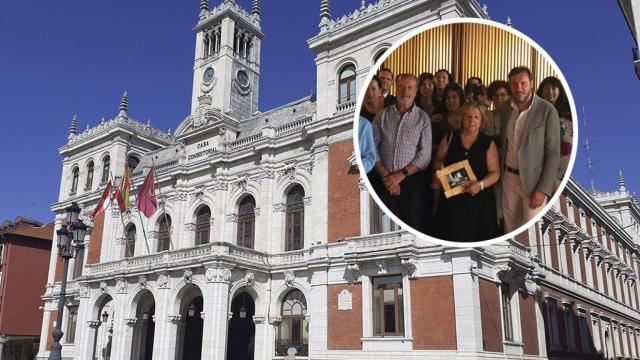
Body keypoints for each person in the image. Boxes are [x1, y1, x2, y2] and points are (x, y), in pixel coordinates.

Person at [499, 66, 560, 233]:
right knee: (509, 231)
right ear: (510, 85)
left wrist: (543, 189)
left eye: (523, 83)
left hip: (534, 184)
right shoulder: (505, 109)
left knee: (533, 235)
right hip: (508, 181)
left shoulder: (547, 110)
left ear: (531, 84)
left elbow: (553, 154)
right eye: (514, 84)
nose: (519, 88)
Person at [372, 73, 432, 231]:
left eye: (410, 87)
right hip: (384, 181)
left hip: (412, 182)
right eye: (402, 87)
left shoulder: (423, 118)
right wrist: (387, 176)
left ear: (416, 90)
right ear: (395, 89)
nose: (405, 91)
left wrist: (400, 175)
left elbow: (425, 155)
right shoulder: (382, 116)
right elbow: (372, 148)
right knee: (381, 226)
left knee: (414, 226)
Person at [435, 102, 500, 241]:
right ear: (461, 119)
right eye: (468, 116)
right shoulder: (450, 137)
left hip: (480, 203)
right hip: (453, 202)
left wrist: (480, 185)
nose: (472, 120)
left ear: (482, 120)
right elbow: (438, 160)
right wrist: (439, 167)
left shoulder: (488, 142)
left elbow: (495, 173)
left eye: (476, 117)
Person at [536, 76, 573, 178]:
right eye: (547, 88)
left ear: (559, 91)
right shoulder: (536, 113)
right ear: (541, 91)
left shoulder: (568, 114)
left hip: (564, 165)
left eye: (553, 88)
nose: (550, 92)